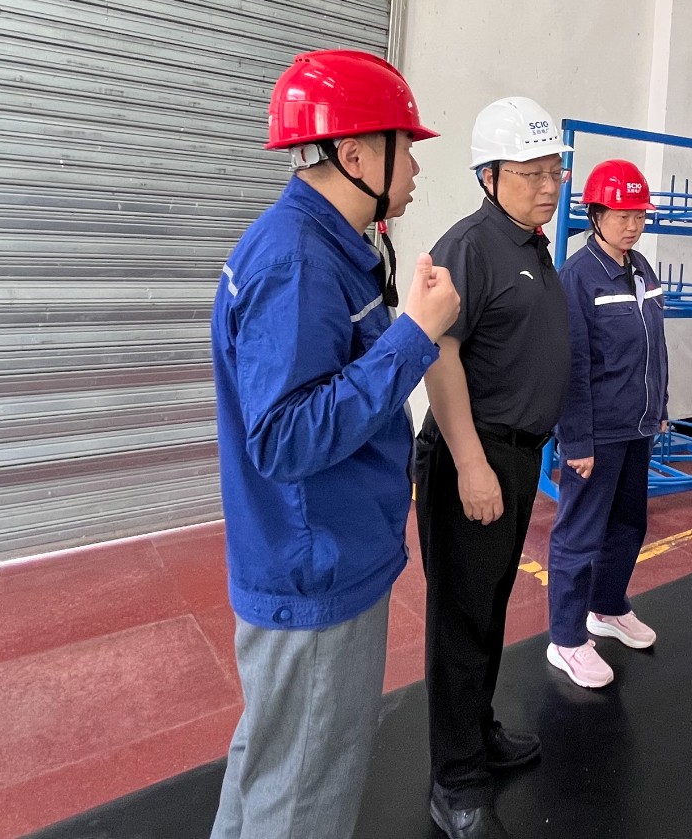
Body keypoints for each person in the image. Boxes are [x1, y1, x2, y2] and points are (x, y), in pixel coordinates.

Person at [209, 50, 460, 839]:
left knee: (273, 761)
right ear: (355, 155)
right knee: (303, 794)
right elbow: (283, 437)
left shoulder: (325, 245)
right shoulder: (298, 260)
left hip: (313, 552)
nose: (415, 166)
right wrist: (414, 335)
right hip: (316, 567)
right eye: (405, 146)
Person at [416, 96, 574, 839]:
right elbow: (438, 353)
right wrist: (472, 465)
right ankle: (455, 781)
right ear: (488, 176)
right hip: (473, 455)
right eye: (531, 172)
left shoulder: (530, 244)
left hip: (515, 455)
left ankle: (476, 733)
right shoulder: (471, 246)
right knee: (460, 620)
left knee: (488, 607)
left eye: (555, 171)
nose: (548, 185)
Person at [545, 159, 669, 689]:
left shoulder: (641, 268)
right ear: (595, 215)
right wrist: (576, 440)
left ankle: (608, 606)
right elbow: (569, 366)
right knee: (579, 535)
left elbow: (654, 347)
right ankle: (566, 639)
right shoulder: (577, 277)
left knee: (628, 526)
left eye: (639, 215)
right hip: (597, 435)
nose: (632, 225)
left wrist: (660, 407)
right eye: (621, 215)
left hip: (637, 427)